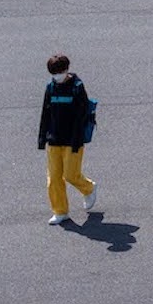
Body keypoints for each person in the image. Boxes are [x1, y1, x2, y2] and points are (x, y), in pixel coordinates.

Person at [37, 52, 99, 226]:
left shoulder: (77, 87)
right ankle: (60, 211)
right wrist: (43, 137)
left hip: (73, 140)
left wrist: (76, 140)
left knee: (71, 175)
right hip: (54, 139)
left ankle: (89, 188)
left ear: (66, 69)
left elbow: (82, 116)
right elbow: (45, 113)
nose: (57, 76)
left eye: (59, 72)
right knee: (54, 178)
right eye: (53, 73)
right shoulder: (50, 88)